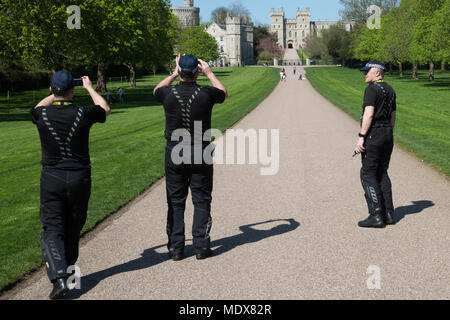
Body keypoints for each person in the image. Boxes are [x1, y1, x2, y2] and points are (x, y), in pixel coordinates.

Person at [31, 71, 110, 299]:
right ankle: (67, 271)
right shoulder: (83, 113)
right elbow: (104, 109)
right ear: (73, 90)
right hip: (79, 177)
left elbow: (38, 106)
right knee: (73, 226)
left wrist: (53, 94)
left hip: (52, 177)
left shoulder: (42, 114)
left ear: (51, 90)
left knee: (52, 228)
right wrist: (90, 88)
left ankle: (60, 278)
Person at [153, 54, 227, 261]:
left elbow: (155, 90)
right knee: (201, 199)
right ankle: (201, 246)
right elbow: (223, 92)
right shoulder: (206, 93)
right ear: (196, 71)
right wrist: (210, 73)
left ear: (180, 71)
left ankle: (176, 248)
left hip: (175, 150)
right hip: (200, 150)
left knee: (176, 202)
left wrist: (173, 73)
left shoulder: (168, 93)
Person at [354, 60, 397, 228]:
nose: (365, 74)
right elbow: (393, 115)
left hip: (374, 133)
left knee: (368, 173)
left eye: (367, 71)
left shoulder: (371, 90)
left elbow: (369, 114)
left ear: (377, 73)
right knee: (382, 172)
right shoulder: (390, 90)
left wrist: (361, 137)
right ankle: (388, 213)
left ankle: (376, 214)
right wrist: (388, 131)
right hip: (387, 132)